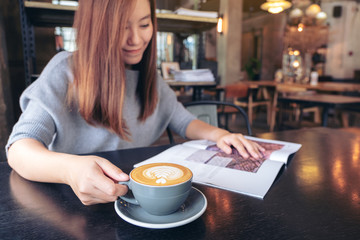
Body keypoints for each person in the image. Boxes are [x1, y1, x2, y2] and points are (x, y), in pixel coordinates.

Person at [6, 0, 265, 205]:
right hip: (67, 205)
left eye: (144, 25)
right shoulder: (65, 72)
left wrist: (221, 135)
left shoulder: (149, 78)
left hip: (135, 200)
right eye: (121, 26)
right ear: (96, 27)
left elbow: (184, 121)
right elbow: (19, 150)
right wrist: (69, 170)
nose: (137, 39)